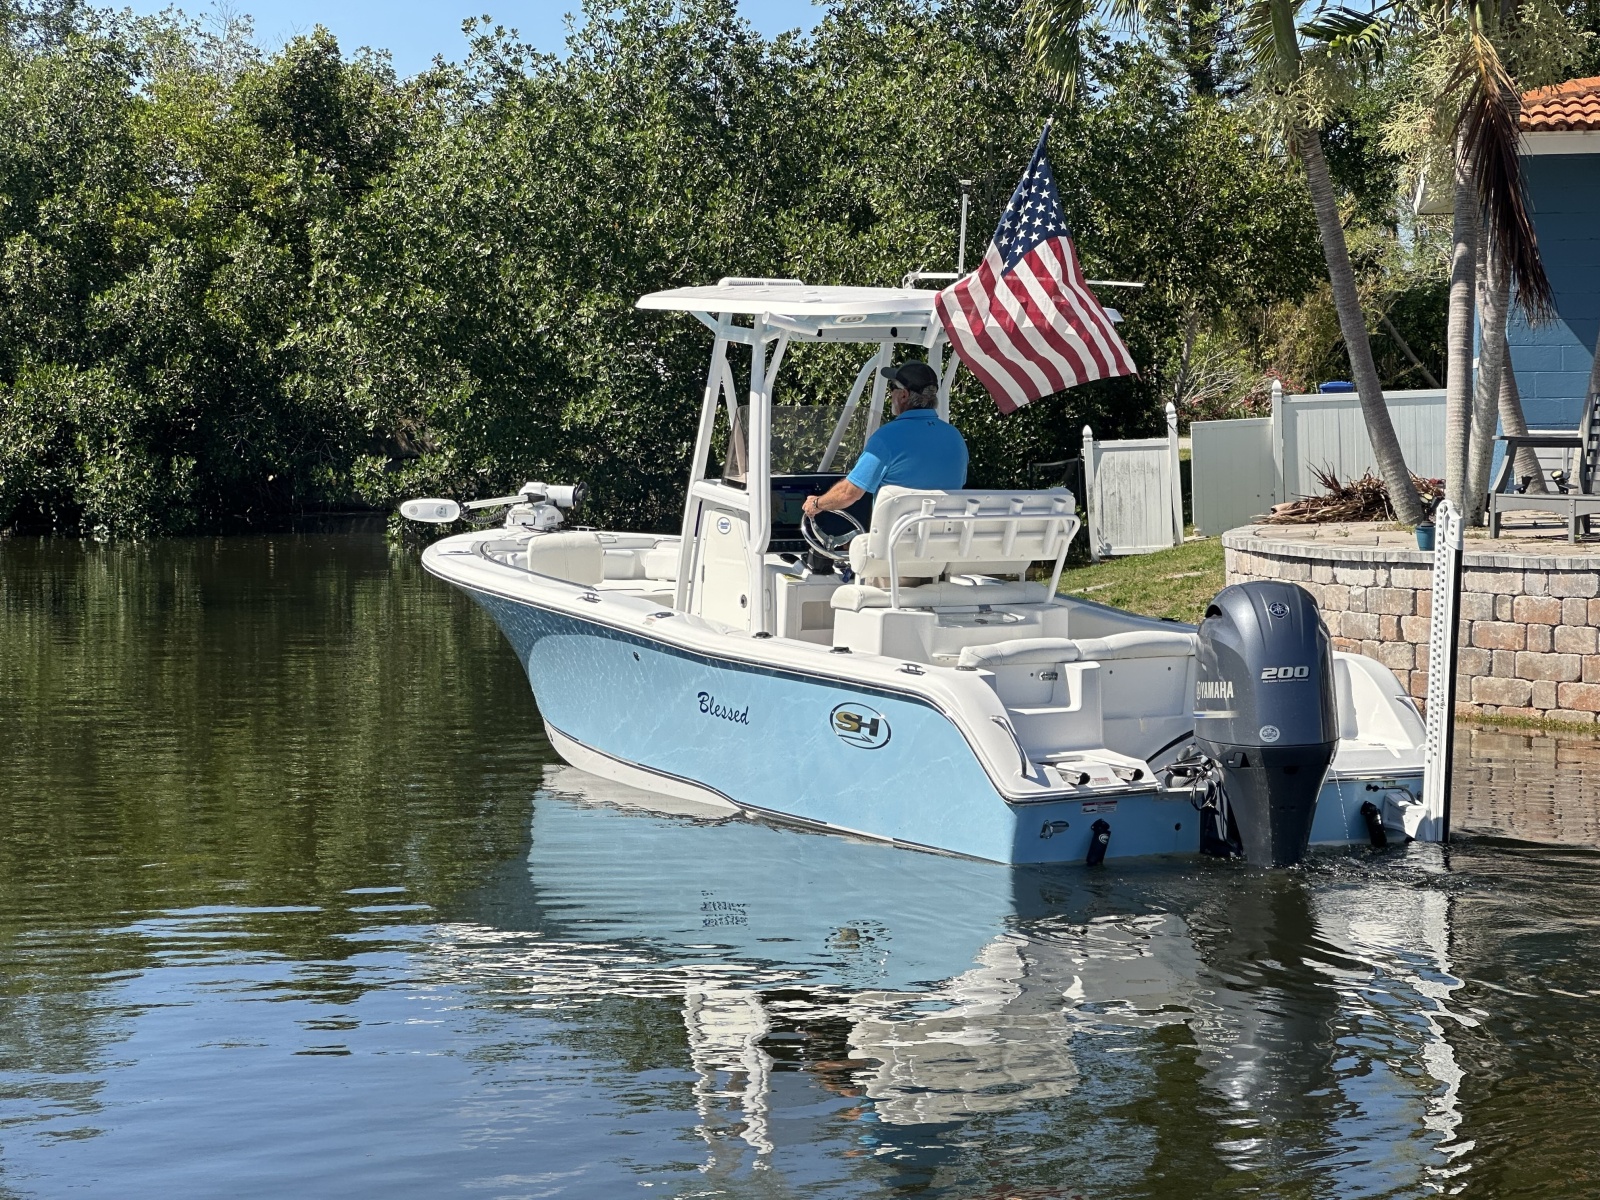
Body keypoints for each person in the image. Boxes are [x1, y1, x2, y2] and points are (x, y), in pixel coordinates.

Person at [801, 360, 968, 521]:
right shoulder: (956, 438)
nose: (890, 394)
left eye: (892, 388)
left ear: (904, 395)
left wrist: (816, 503)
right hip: (943, 543)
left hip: (894, 546)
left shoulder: (887, 438)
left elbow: (848, 494)